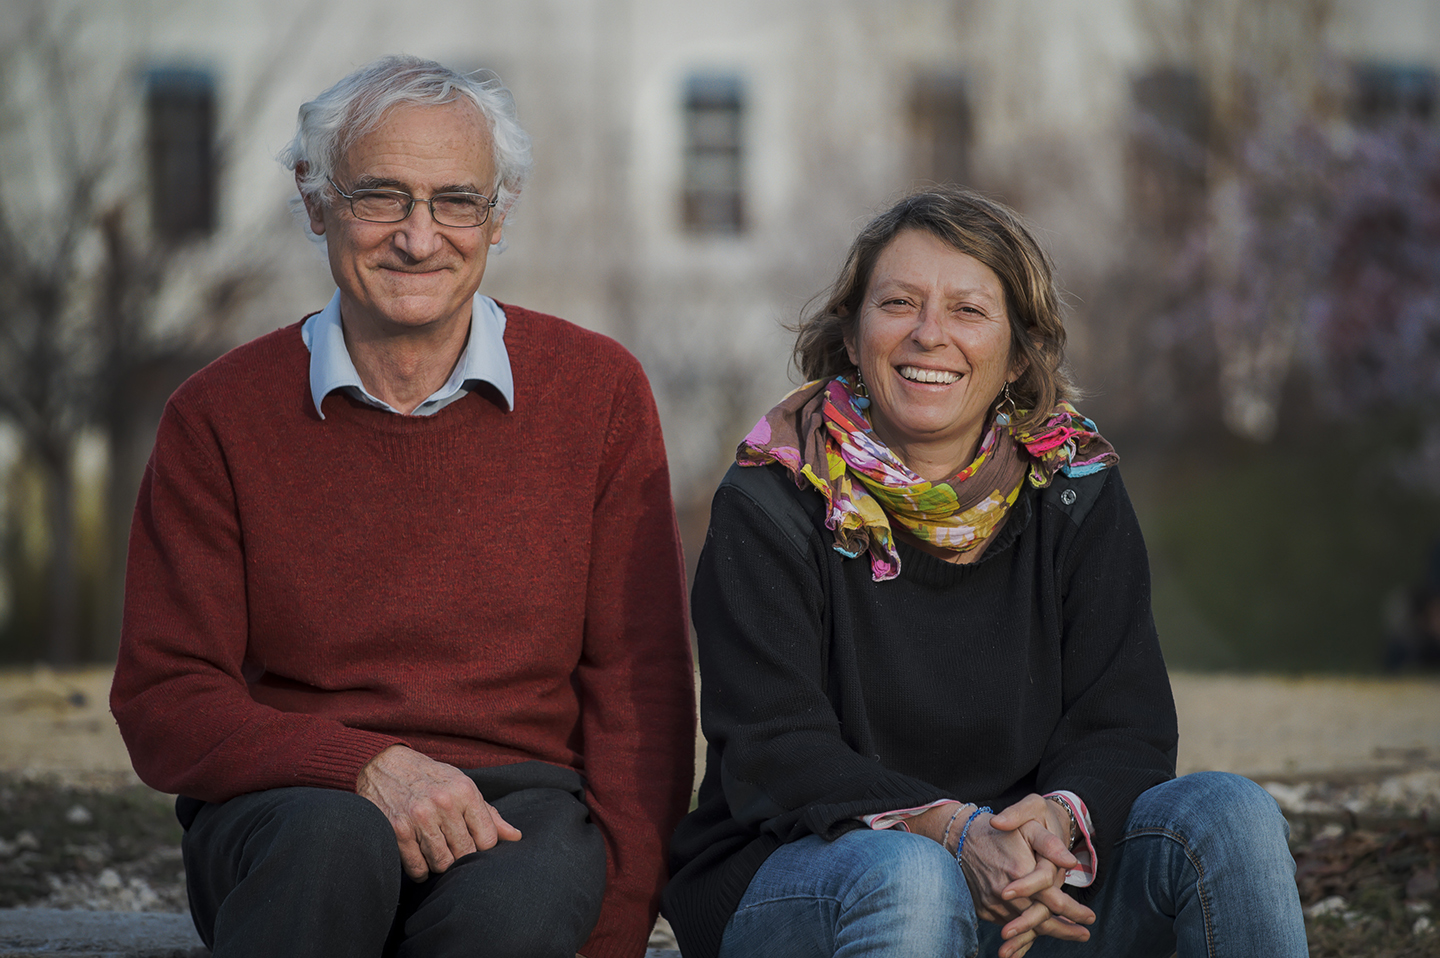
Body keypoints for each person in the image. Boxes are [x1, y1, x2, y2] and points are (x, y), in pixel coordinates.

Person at [110, 55, 695, 958]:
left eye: (456, 201)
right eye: (379, 196)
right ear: (314, 202)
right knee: (329, 845)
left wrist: (614, 915)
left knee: (513, 913)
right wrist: (361, 765)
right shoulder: (217, 415)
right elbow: (165, 698)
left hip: (521, 807)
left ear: (497, 219)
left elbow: (638, 684)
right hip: (291, 805)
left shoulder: (598, 393)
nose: (419, 239)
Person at [661, 188, 1307, 958]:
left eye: (968, 310)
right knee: (913, 876)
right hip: (809, 871)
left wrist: (1056, 825)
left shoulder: (1077, 487)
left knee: (1229, 813)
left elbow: (1123, 720)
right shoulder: (773, 492)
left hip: (1035, 882)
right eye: (898, 302)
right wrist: (953, 834)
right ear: (853, 327)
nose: (929, 335)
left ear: (1020, 350)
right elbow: (776, 744)